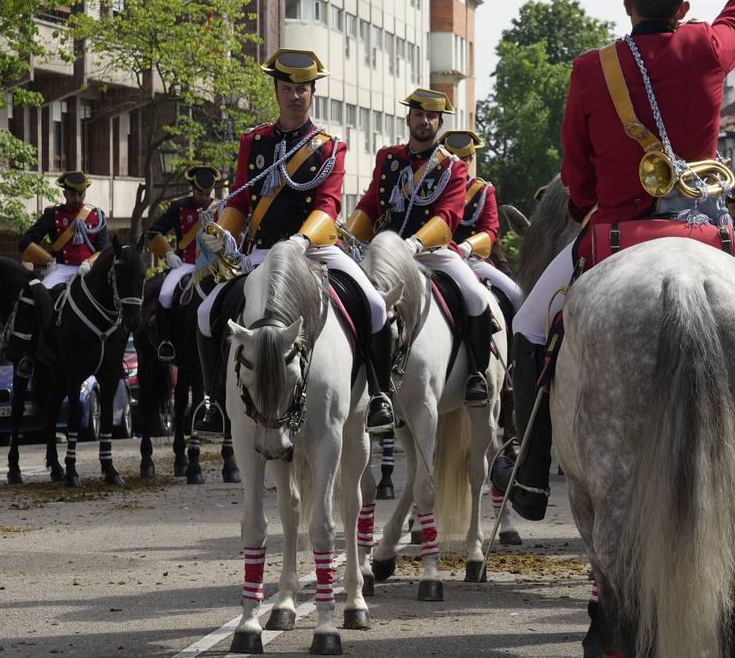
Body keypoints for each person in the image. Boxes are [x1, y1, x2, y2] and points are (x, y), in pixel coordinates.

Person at [509, 0, 735, 522]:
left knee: (526, 326)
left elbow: (577, 182)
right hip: (706, 235)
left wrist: (593, 199)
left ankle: (525, 467)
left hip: (614, 238)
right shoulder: (710, 48)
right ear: (684, 9)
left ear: (630, 7)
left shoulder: (589, 69)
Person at [194, 48, 396, 430]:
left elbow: (328, 204)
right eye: (287, 88)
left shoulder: (329, 147)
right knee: (206, 312)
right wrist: (225, 233)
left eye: (302, 88)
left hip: (314, 250)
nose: (295, 95)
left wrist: (301, 241)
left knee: (374, 304)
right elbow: (239, 197)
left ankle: (379, 395)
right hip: (263, 252)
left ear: (312, 93)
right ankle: (213, 403)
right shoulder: (253, 142)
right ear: (276, 90)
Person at [346, 88, 500, 408]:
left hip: (431, 251)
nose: (424, 121)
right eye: (419, 114)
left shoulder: (452, 167)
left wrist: (415, 243)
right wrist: (346, 235)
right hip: (385, 253)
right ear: (408, 118)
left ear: (439, 122)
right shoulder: (388, 159)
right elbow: (371, 205)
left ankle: (477, 372)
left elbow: (448, 216)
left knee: (474, 294)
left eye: (431, 116)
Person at [7, 171, 109, 378]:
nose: (78, 199)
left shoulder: (97, 216)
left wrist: (90, 263)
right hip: (61, 268)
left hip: (88, 269)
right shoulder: (53, 215)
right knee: (37, 297)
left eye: (81, 194)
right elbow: (26, 241)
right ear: (65, 193)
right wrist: (48, 261)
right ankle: (30, 353)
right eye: (73, 195)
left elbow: (104, 248)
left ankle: (114, 356)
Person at [440, 129, 522, 317]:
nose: (460, 163)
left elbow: (491, 229)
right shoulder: (432, 188)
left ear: (472, 157)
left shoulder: (484, 191)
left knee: (518, 297)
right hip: (436, 255)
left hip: (471, 259)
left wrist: (467, 247)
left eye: (465, 158)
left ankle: (520, 345)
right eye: (454, 158)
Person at [145, 163, 219, 362]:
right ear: (192, 189)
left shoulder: (220, 207)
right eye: (200, 193)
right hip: (185, 263)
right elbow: (153, 231)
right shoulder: (179, 207)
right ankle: (165, 341)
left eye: (207, 193)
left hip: (215, 265)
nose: (204, 198)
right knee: (166, 294)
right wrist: (168, 253)